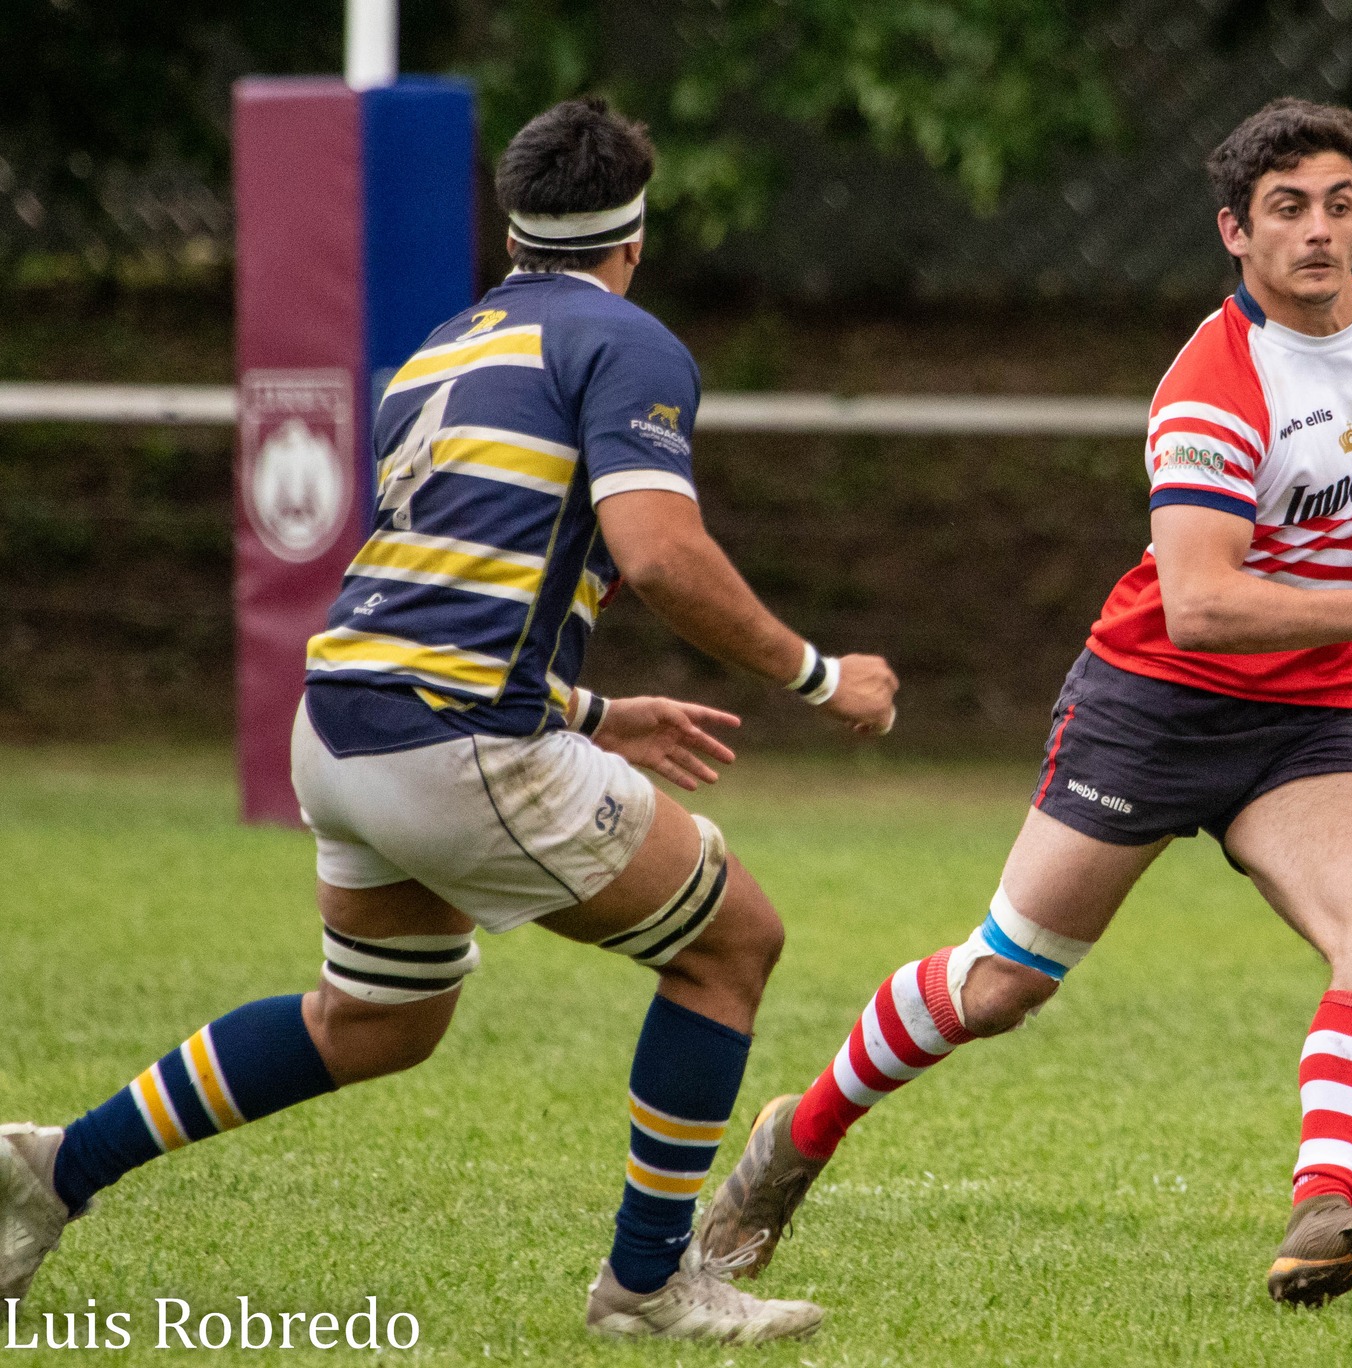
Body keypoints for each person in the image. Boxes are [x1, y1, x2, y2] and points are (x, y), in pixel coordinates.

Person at [0, 97, 897, 1345]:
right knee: (728, 943)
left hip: (340, 726)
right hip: (452, 735)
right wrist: (817, 674)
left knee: (373, 1020)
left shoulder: (441, 350)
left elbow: (446, 578)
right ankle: (646, 1289)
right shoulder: (626, 342)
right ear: (633, 236)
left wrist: (591, 708)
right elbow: (661, 551)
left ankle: (46, 1173)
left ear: (517, 225)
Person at [695, 97, 1352, 1308]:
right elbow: (1201, 606)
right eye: (1287, 210)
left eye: (1338, 205)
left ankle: (1322, 1213)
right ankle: (790, 1144)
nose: (1318, 232)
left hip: (1305, 723)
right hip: (1153, 707)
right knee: (1002, 983)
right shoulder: (1213, 385)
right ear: (1234, 231)